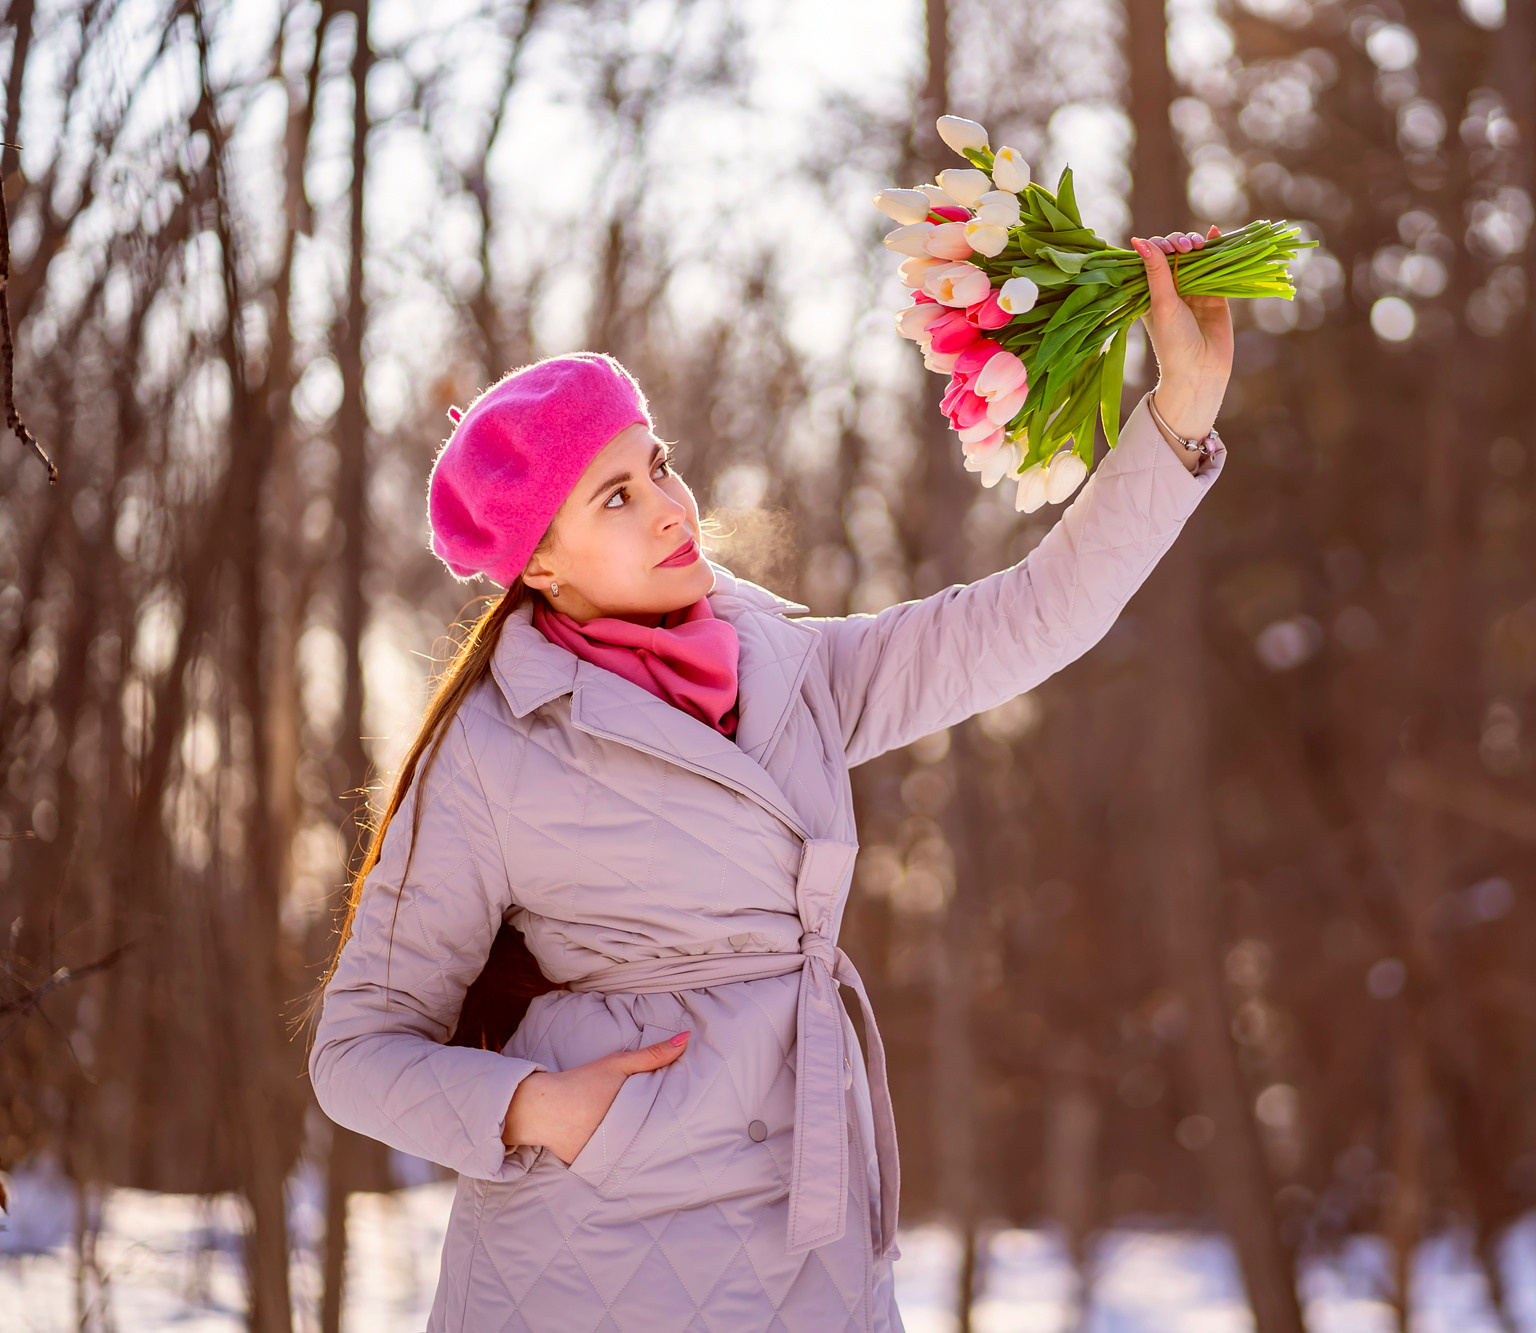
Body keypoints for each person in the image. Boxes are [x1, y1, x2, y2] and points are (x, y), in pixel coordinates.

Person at [308, 227, 1233, 1331]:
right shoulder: (494, 750)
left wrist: (1177, 410)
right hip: (593, 1260)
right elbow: (357, 1052)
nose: (667, 505)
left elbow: (1029, 617)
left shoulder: (794, 669)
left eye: (658, 466)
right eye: (612, 497)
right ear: (538, 567)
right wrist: (536, 1107)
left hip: (811, 1233)